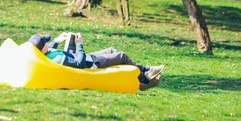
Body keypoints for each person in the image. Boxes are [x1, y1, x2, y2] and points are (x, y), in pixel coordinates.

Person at [27, 32, 164, 90]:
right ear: (42, 49)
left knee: (111, 50)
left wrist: (58, 39)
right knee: (122, 56)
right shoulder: (57, 58)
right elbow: (79, 64)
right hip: (90, 64)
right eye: (45, 42)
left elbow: (49, 48)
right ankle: (145, 77)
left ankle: (143, 75)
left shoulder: (44, 55)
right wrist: (79, 44)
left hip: (87, 58)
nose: (47, 43)